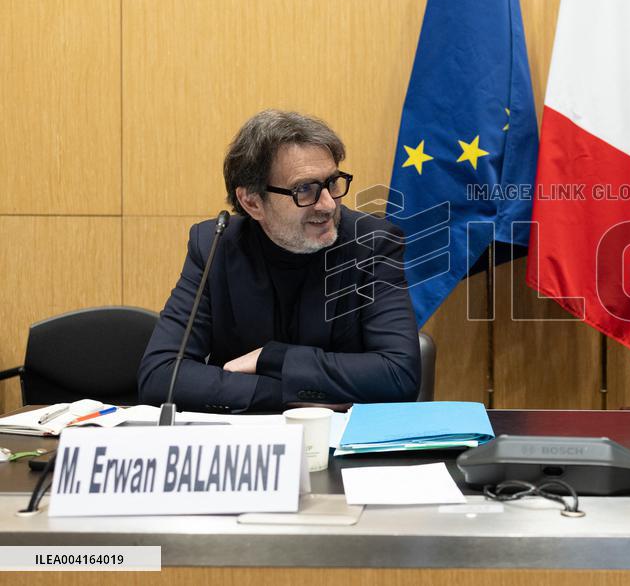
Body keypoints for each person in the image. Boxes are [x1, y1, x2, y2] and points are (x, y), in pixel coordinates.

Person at [139, 110, 421, 412]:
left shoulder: (372, 243)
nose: (327, 204)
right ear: (252, 202)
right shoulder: (214, 246)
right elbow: (161, 376)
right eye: (305, 189)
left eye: (333, 183)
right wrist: (293, 395)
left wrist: (272, 359)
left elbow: (398, 374)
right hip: (246, 450)